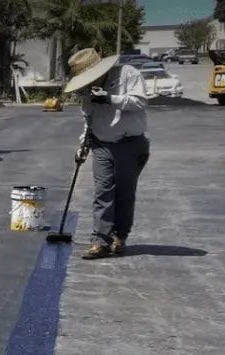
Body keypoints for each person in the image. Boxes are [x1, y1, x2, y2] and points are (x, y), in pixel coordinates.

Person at [62, 48, 150, 259]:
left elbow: (140, 102)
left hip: (129, 143)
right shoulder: (88, 94)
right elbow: (89, 122)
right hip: (101, 144)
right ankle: (100, 241)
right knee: (103, 193)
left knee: (124, 193)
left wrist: (111, 99)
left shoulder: (127, 74)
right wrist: (83, 146)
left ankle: (119, 236)